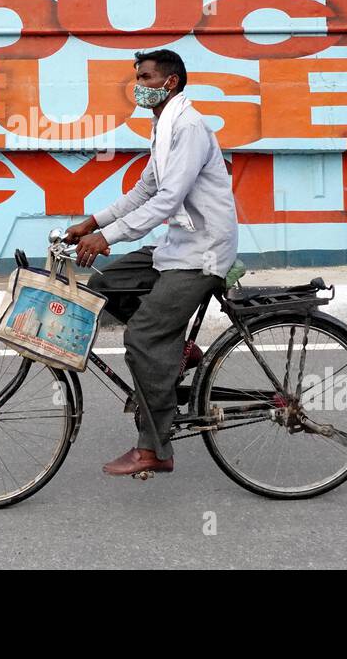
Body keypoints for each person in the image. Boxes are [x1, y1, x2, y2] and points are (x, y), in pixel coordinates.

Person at [64, 49, 239, 477]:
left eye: (145, 77)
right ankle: (177, 353)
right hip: (177, 246)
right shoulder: (162, 126)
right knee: (104, 285)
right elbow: (144, 189)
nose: (137, 86)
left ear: (171, 82)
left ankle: (155, 449)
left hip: (203, 253)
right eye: (137, 78)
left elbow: (168, 199)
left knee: (142, 338)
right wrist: (93, 220)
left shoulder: (190, 126)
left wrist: (108, 236)